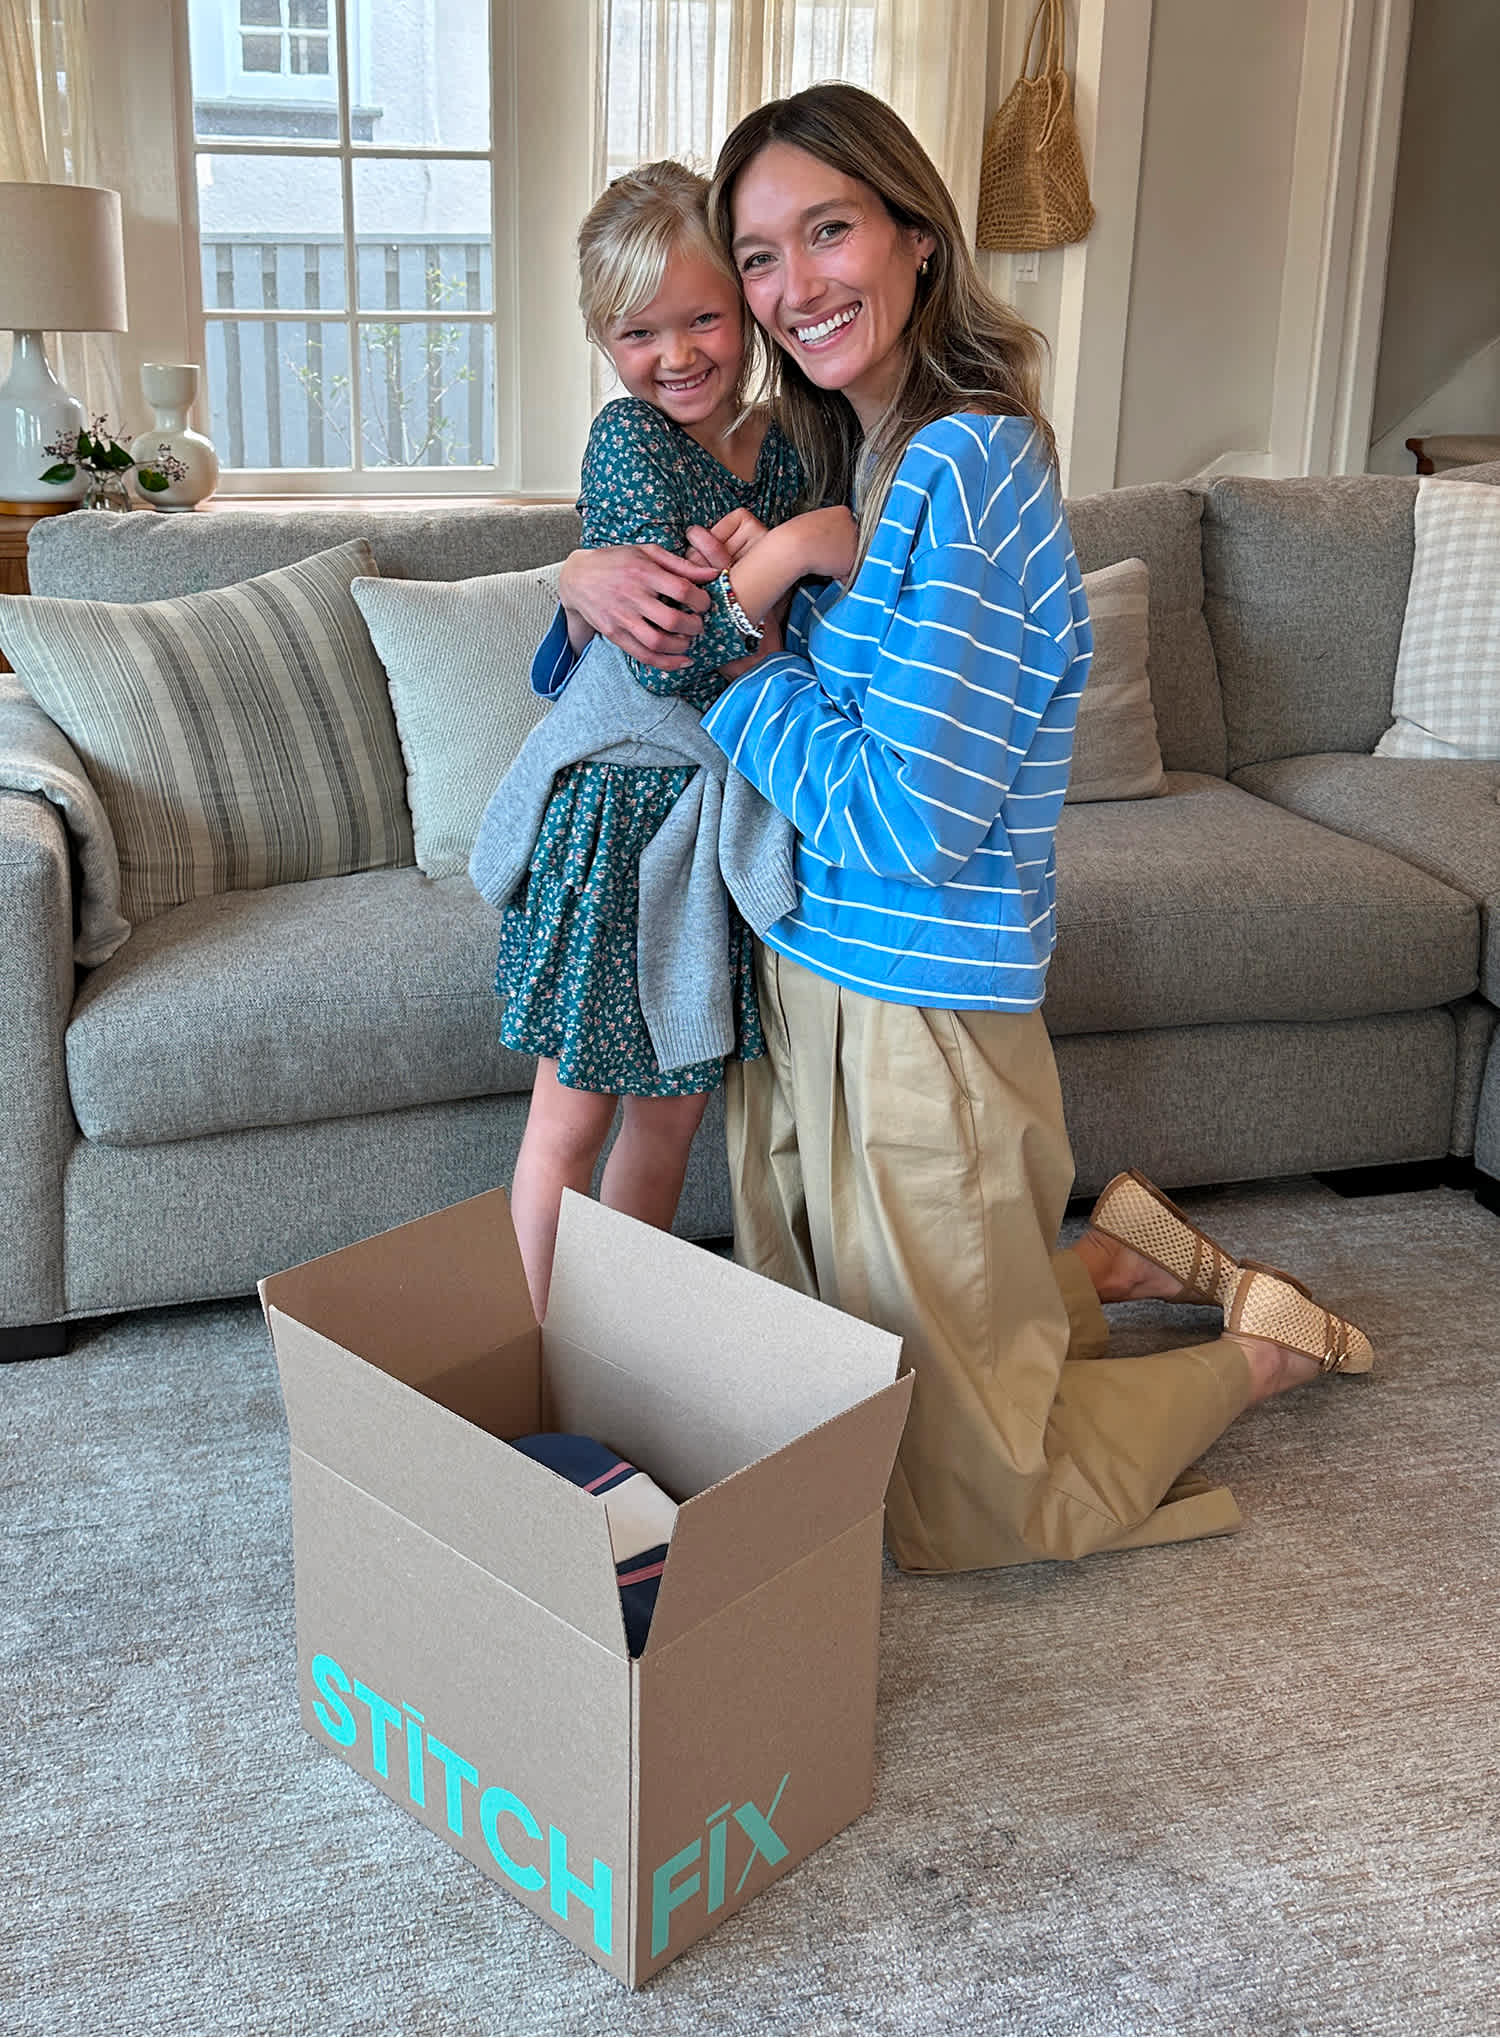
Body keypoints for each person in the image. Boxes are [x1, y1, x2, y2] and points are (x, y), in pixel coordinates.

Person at [563, 86, 1374, 1571]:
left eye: (828, 231)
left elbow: (914, 816)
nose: (791, 286)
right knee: (830, 1405)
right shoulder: (843, 459)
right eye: (756, 256)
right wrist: (591, 578)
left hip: (916, 1009)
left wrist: (734, 663)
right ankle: (1107, 1262)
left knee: (951, 1513)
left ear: (918, 239)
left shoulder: (969, 470)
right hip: (797, 983)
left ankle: (1261, 1351)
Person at [476, 160, 851, 1314]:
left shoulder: (790, 443)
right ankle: (543, 1347)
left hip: (713, 821)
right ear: (603, 338)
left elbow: (816, 635)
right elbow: (675, 653)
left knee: (673, 1112)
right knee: (571, 1117)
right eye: (642, 332)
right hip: (616, 826)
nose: (679, 354)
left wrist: (786, 563)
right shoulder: (628, 444)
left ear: (747, 309)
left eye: (705, 320)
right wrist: (789, 553)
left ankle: (614, 1332)